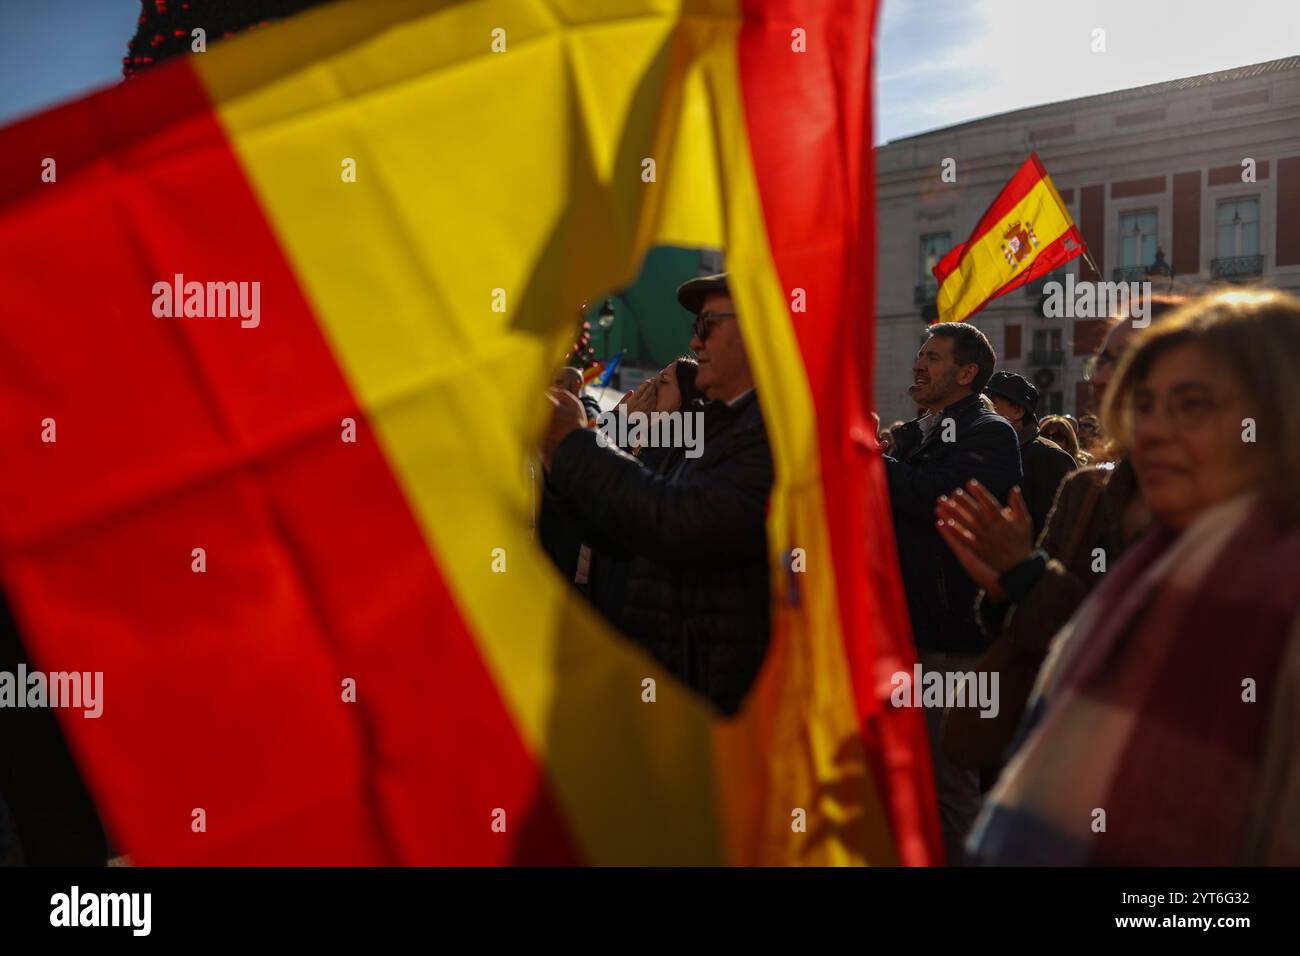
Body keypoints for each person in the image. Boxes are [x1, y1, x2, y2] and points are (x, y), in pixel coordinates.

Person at [967, 289, 1300, 864]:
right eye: (1142, 405)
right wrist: (1010, 586)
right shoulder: (1159, 556)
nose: (1153, 430)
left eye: (1191, 405)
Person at [937, 295, 1186, 776]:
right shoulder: (1086, 490)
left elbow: (1138, 657)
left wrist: (1026, 573)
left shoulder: (1225, 507)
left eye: (1122, 359)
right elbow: (1047, 636)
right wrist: (1004, 587)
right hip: (1062, 764)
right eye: (1101, 359)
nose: (1097, 378)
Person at [541, 274, 774, 716]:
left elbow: (683, 521)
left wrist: (575, 443)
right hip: (667, 680)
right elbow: (619, 531)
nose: (694, 342)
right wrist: (559, 463)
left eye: (708, 326)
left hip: (719, 702)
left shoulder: (772, 430)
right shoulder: (714, 427)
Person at [883, 322, 1022, 863]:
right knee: (910, 781)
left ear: (967, 373)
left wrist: (872, 462)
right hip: (907, 631)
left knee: (950, 787)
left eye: (933, 357)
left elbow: (940, 500)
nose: (918, 364)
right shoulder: (922, 428)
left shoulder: (988, 431)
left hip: (947, 640)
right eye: (919, 353)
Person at [983, 372, 1077, 539]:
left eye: (992, 404)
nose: (984, 411)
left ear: (1018, 411)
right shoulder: (988, 453)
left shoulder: (1050, 458)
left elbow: (1059, 532)